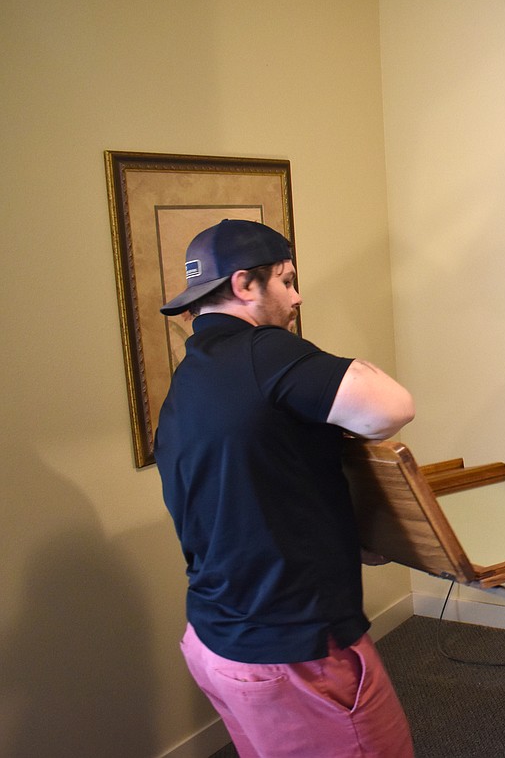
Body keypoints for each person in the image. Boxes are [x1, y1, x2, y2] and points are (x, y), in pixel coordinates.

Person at [154, 219, 416, 758]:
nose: (297, 297)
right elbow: (392, 407)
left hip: (214, 640)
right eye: (287, 280)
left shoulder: (188, 380)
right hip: (291, 649)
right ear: (245, 285)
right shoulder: (263, 352)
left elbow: (261, 483)